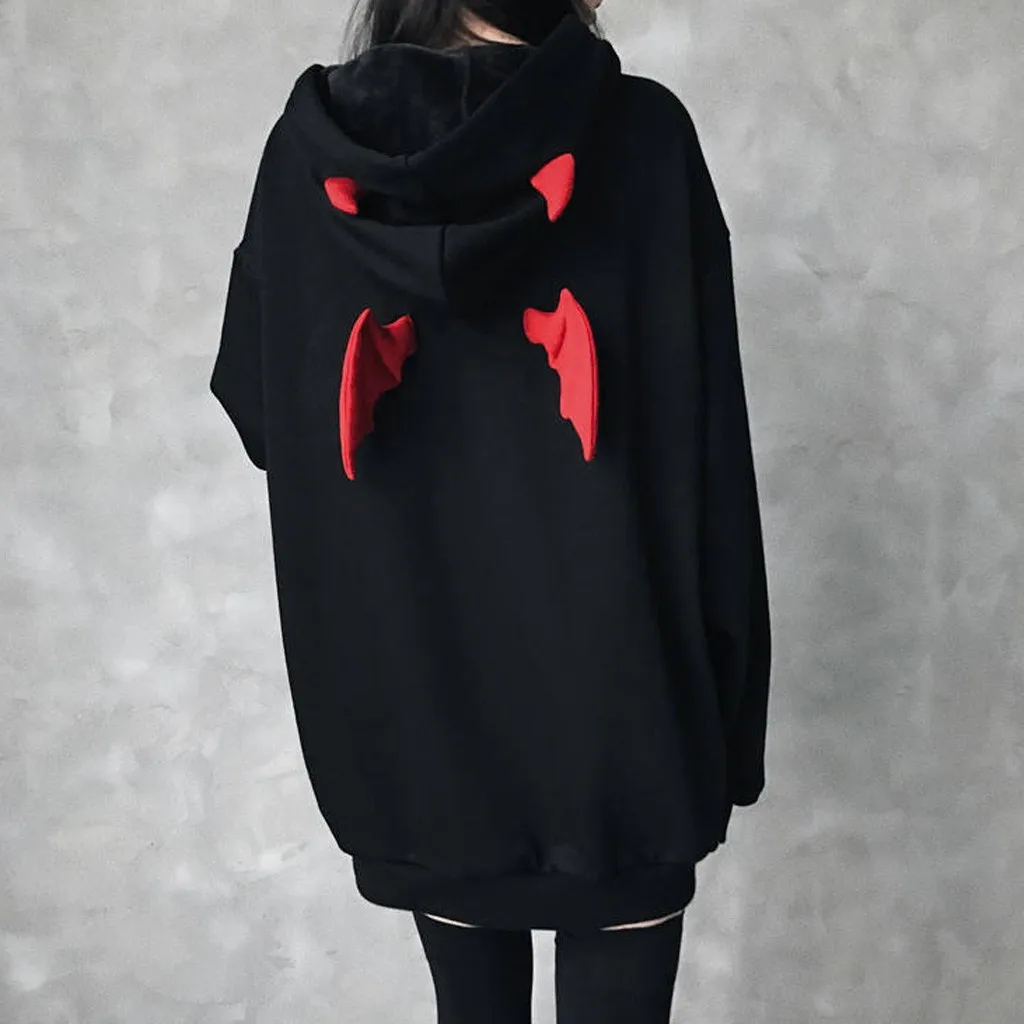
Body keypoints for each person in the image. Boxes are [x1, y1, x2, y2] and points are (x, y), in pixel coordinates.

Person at [210, 0, 772, 1019]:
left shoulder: (308, 155)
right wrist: (728, 724)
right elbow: (711, 456)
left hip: (423, 718)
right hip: (624, 723)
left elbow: (264, 415)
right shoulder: (643, 139)